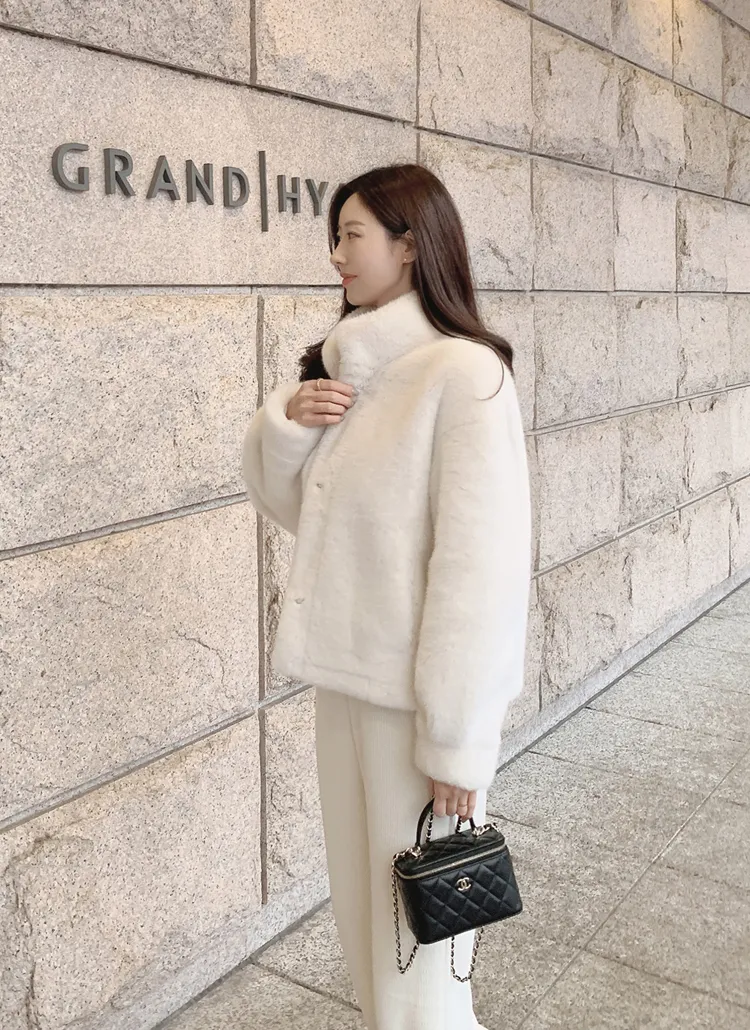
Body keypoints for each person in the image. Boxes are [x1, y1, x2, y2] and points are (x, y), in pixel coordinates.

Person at [242, 163, 532, 1030]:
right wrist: (289, 427)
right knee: (370, 920)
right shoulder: (356, 372)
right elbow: (311, 520)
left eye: (351, 235)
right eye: (335, 237)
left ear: (409, 246)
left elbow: (480, 569)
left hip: (416, 705)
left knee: (422, 954)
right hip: (346, 685)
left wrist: (458, 739)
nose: (336, 255)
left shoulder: (463, 375)